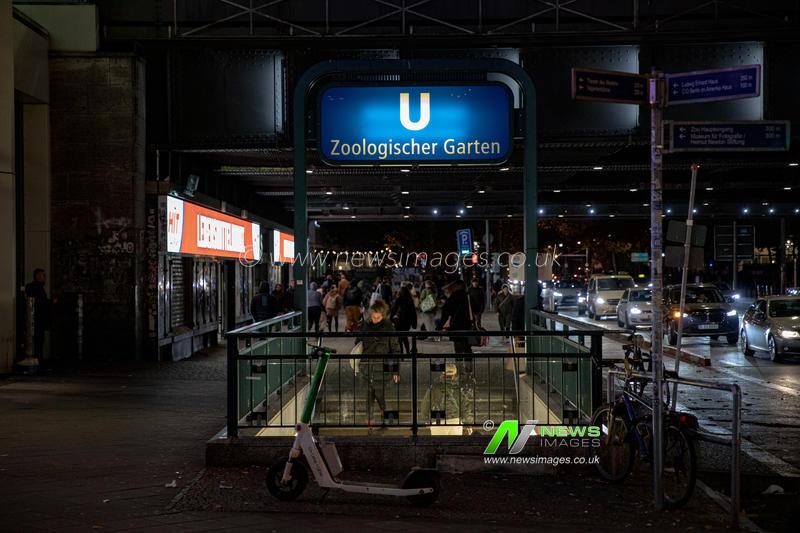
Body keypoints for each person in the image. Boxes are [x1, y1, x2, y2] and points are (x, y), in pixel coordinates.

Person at [357, 300, 400, 424]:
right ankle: (369, 419)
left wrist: (395, 370)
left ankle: (384, 411)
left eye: (378, 317)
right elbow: (358, 342)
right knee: (368, 394)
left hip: (383, 366)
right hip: (367, 365)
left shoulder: (389, 327)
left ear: (383, 315)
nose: (375, 319)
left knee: (379, 392)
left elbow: (395, 349)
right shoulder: (365, 325)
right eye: (373, 317)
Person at [439, 280, 472, 355]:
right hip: (468, 325)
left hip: (456, 326)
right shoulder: (468, 297)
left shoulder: (452, 298)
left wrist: (440, 326)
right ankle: (468, 365)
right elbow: (476, 308)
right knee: (467, 347)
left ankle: (459, 365)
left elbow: (445, 313)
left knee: (458, 348)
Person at [25, 268, 51, 359]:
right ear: (37, 276)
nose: (45, 278)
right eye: (43, 276)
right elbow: (41, 303)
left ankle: (37, 359)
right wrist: (50, 302)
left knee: (38, 341)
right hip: (37, 319)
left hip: (37, 319)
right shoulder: (37, 288)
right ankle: (37, 360)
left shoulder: (35, 288)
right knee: (38, 341)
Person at [391, 285, 417, 354]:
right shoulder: (410, 300)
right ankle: (407, 352)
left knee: (399, 339)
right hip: (407, 322)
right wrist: (414, 323)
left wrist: (391, 319)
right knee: (404, 337)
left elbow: (394, 310)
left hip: (399, 322)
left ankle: (401, 354)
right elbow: (413, 312)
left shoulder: (399, 299)